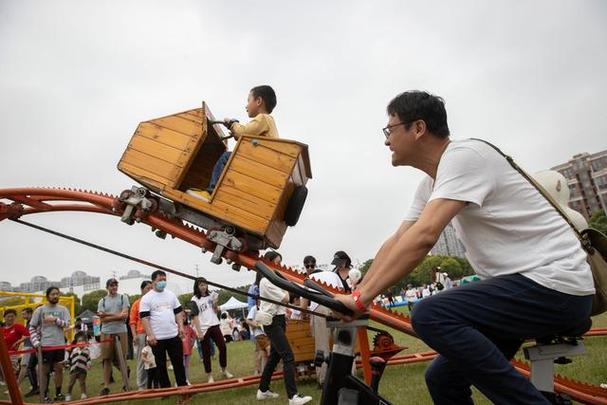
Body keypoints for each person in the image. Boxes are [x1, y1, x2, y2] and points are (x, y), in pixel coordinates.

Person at [334, 90, 595, 404]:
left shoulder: (465, 157)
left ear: (418, 128)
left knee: (430, 314)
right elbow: (400, 240)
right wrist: (358, 291)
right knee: (442, 378)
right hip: (525, 289)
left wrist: (362, 299)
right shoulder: (432, 183)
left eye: (390, 130)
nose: (386, 140)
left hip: (555, 286)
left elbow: (425, 236)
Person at [187, 85, 279, 201]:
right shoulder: (268, 122)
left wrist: (232, 123)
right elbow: (244, 136)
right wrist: (234, 130)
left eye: (248, 100)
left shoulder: (264, 119)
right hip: (261, 164)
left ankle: (211, 192)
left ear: (259, 101)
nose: (246, 105)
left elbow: (243, 132)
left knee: (226, 157)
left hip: (257, 163)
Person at [256, 251, 312, 405]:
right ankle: (293, 397)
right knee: (288, 356)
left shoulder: (272, 279)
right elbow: (286, 298)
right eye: (277, 262)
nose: (279, 266)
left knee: (275, 356)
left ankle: (263, 390)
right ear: (269, 262)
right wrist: (286, 283)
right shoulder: (266, 281)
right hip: (272, 322)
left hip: (278, 320)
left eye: (280, 262)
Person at [139, 270, 187, 389]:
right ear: (154, 281)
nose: (163, 282)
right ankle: (166, 389)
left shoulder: (170, 294)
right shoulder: (146, 298)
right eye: (160, 280)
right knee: (160, 366)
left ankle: (183, 387)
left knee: (178, 363)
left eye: (164, 280)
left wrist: (180, 326)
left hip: (173, 335)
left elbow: (178, 312)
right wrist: (150, 335)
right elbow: (144, 318)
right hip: (157, 338)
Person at [29, 286, 70, 402]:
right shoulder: (40, 310)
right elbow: (32, 327)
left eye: (57, 294)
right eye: (53, 294)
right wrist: (36, 342)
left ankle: (58, 393)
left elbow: (67, 324)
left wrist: (55, 320)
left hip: (60, 344)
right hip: (45, 345)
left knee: (59, 369)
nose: (55, 296)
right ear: (47, 296)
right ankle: (45, 395)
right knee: (44, 370)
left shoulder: (63, 309)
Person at [97, 278, 130, 396]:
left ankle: (126, 384)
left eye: (116, 285)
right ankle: (106, 386)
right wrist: (117, 315)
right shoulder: (102, 301)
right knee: (106, 359)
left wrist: (107, 315)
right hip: (106, 331)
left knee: (122, 358)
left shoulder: (123, 297)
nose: (114, 287)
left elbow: (124, 316)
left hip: (121, 331)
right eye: (111, 285)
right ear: (107, 287)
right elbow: (102, 319)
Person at [129, 280, 153, 390]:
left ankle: (152, 383)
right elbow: (132, 321)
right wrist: (135, 335)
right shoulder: (136, 304)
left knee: (153, 359)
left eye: (151, 288)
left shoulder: (153, 302)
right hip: (141, 334)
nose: (150, 290)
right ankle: (141, 385)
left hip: (153, 333)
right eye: (148, 288)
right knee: (142, 359)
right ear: (142, 289)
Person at [17, 307, 39, 397]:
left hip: (30, 347)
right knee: (32, 367)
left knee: (25, 366)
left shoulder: (32, 323)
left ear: (30, 314)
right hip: (30, 346)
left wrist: (18, 341)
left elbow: (29, 335)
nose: (23, 316)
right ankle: (37, 386)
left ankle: (17, 386)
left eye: (24, 314)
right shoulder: (29, 322)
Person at [2, 309, 29, 380]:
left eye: (12, 316)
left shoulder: (18, 327)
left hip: (12, 354)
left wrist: (19, 342)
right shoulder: (2, 329)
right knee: (4, 375)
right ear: (4, 317)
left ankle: (15, 390)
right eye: (8, 316)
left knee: (11, 373)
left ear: (15, 317)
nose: (10, 318)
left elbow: (28, 334)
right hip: (2, 354)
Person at [64, 332, 91, 401]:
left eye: (82, 341)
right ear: (76, 343)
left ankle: (83, 394)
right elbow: (70, 359)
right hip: (74, 369)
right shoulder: (74, 350)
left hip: (82, 369)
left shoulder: (87, 351)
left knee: (82, 382)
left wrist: (88, 364)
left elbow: (88, 359)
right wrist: (67, 363)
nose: (81, 342)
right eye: (79, 341)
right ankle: (68, 394)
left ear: (85, 342)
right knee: (71, 383)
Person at [246, 299, 270, 376]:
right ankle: (261, 371)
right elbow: (248, 320)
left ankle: (263, 372)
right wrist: (257, 324)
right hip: (259, 334)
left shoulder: (266, 307)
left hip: (266, 334)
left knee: (263, 354)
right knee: (266, 351)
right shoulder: (254, 308)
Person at [181, 317, 196, 384]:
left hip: (188, 350)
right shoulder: (176, 327)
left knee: (186, 366)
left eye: (184, 316)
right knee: (181, 365)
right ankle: (180, 380)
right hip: (180, 351)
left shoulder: (188, 327)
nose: (182, 318)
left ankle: (186, 379)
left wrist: (192, 344)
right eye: (181, 316)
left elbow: (194, 335)